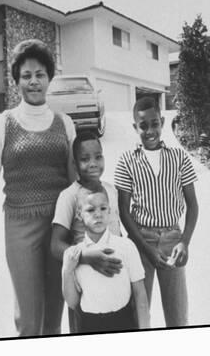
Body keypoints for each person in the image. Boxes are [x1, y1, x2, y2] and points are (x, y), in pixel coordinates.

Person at [0, 39, 76, 336]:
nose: (34, 82)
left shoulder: (64, 123)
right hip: (20, 228)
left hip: (59, 226)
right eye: (27, 75)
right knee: (29, 321)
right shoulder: (2, 123)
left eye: (40, 74)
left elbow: (75, 184)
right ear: (16, 79)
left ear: (49, 78)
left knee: (55, 317)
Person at [115, 96, 199, 327]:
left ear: (162, 121)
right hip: (142, 242)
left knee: (178, 315)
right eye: (143, 126)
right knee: (140, 314)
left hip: (173, 239)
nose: (150, 130)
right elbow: (124, 210)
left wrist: (184, 242)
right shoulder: (127, 161)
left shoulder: (179, 157)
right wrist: (146, 249)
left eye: (154, 123)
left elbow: (193, 205)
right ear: (135, 127)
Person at [50, 131, 123, 332]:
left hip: (114, 276)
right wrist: (86, 256)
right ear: (74, 164)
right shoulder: (69, 196)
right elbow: (55, 246)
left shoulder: (112, 191)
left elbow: (119, 233)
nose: (93, 163)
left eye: (98, 157)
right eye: (85, 159)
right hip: (84, 280)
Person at [61, 186, 150, 333]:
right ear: (79, 214)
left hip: (124, 321)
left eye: (103, 208)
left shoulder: (126, 246)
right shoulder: (74, 254)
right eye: (90, 210)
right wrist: (67, 271)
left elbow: (140, 295)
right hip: (89, 325)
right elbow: (72, 302)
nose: (98, 214)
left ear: (110, 211)